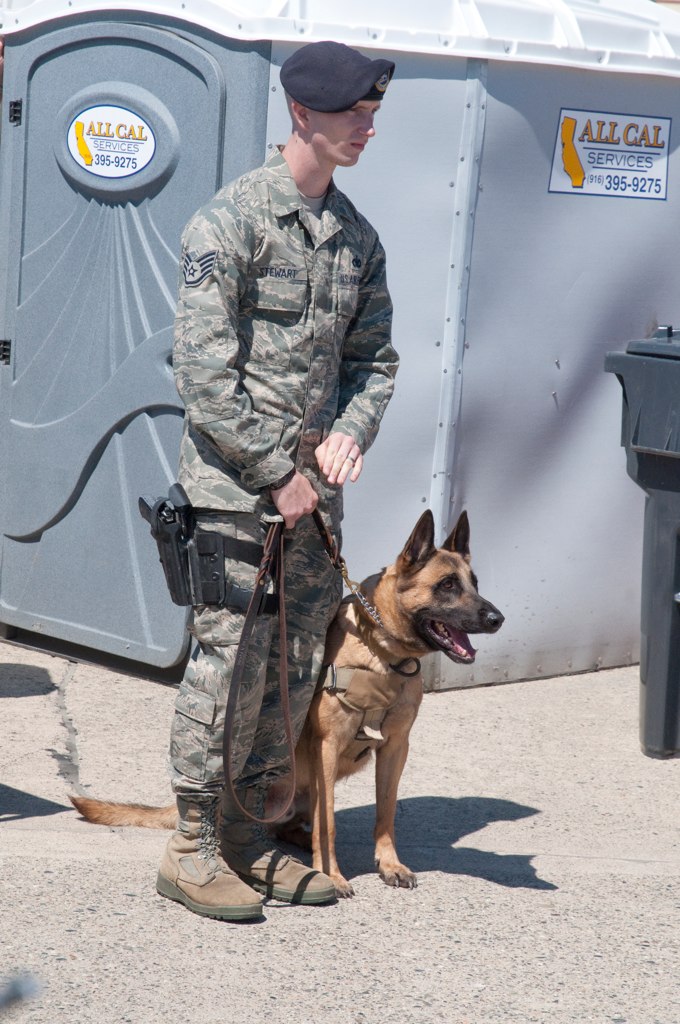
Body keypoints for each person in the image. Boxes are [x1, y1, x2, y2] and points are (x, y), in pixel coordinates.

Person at [157, 40, 399, 921]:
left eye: (372, 114)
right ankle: (190, 848)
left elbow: (375, 361)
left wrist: (351, 433)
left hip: (314, 509)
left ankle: (251, 836)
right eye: (352, 114)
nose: (367, 128)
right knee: (227, 669)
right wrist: (275, 471)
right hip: (236, 499)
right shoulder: (232, 222)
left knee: (291, 672)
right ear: (302, 113)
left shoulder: (355, 237)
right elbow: (201, 372)